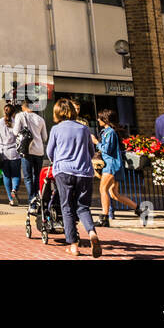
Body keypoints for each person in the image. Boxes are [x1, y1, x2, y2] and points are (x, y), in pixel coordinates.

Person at [46, 98, 101, 258]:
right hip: (84, 172)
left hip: (64, 171)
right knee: (83, 207)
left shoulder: (56, 129)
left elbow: (50, 152)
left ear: (57, 112)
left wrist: (58, 159)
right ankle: (92, 233)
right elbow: (91, 152)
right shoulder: (84, 129)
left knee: (67, 208)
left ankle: (73, 245)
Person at [94, 109, 136, 226]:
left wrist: (96, 142)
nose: (98, 120)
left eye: (100, 118)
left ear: (105, 119)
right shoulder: (106, 131)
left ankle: (104, 218)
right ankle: (139, 209)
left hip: (110, 165)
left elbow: (106, 149)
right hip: (114, 165)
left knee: (103, 190)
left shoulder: (110, 132)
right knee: (114, 193)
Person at [13, 98, 48, 202]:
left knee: (28, 178)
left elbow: (15, 132)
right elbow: (45, 137)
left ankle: (32, 201)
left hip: (26, 151)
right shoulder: (40, 119)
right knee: (37, 176)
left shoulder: (20, 116)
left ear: (23, 107)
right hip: (39, 151)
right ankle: (38, 198)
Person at [0, 103, 22, 205]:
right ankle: (14, 190)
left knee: (6, 176)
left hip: (3, 153)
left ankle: (11, 199)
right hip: (15, 153)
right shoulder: (17, 122)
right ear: (14, 113)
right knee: (16, 175)